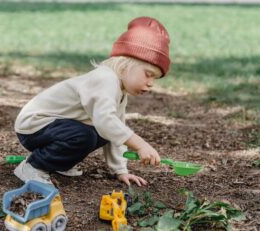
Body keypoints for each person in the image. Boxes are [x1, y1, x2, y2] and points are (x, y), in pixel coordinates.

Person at [13, 16, 170, 187]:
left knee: (103, 132)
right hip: (34, 126)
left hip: (53, 127)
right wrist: (140, 145)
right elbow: (106, 122)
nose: (151, 83)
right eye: (148, 74)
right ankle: (33, 166)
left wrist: (120, 170)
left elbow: (115, 131)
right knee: (86, 135)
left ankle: (58, 163)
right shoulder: (105, 79)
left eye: (155, 78)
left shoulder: (119, 90)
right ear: (125, 66)